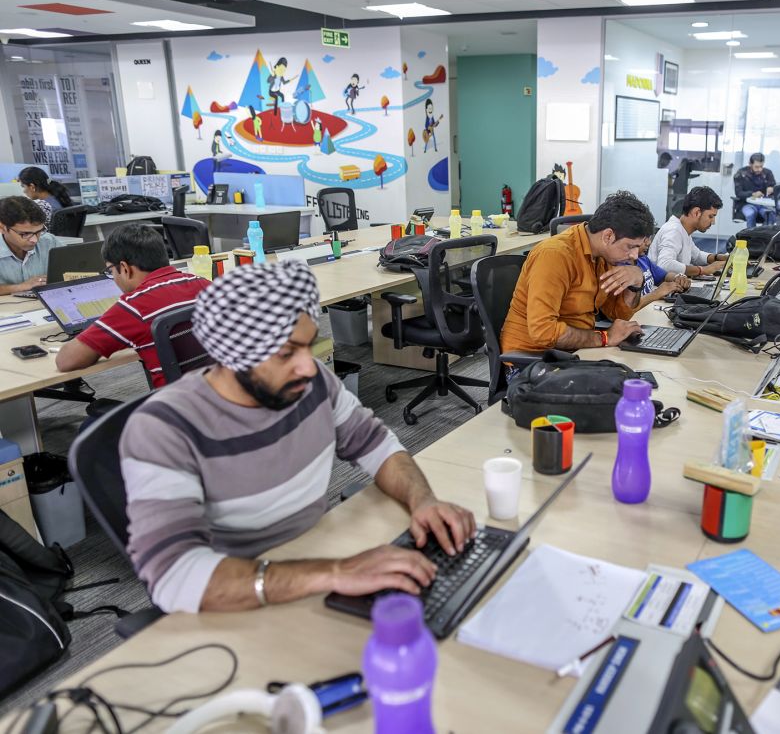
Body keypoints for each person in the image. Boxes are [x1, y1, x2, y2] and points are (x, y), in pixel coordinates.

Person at [119, 261, 476, 613]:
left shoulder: (310, 383)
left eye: (308, 345)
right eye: (287, 353)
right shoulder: (164, 429)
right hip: (233, 597)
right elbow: (175, 577)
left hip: (314, 556)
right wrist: (335, 572)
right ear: (235, 355)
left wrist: (423, 500)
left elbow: (378, 446)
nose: (309, 366)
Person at [55, 224, 210, 387]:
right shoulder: (204, 284)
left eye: (110, 271)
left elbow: (66, 361)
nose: (113, 277)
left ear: (124, 268)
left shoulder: (134, 306)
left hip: (176, 404)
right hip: (226, 394)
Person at [500, 191, 651, 355]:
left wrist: (636, 282)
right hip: (534, 358)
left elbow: (619, 314)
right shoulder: (555, 255)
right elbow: (542, 331)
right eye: (630, 246)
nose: (635, 255)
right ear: (608, 236)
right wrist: (605, 337)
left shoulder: (604, 256)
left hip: (576, 351)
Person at [648, 186, 729, 277]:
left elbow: (697, 256)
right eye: (711, 216)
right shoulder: (673, 231)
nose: (713, 222)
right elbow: (665, 264)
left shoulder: (684, 230)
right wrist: (703, 270)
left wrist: (718, 258)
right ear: (696, 212)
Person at [0, 196, 60, 295]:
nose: (35, 240)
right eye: (25, 234)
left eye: (39, 231)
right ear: (2, 228)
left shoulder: (49, 241)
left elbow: (76, 271)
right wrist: (21, 287)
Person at [633, 236, 690, 311]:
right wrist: (656, 294)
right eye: (644, 238)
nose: (649, 243)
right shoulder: (621, 267)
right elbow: (630, 306)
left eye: (650, 238)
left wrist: (678, 277)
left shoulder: (643, 259)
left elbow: (664, 276)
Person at [734, 153, 777, 228]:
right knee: (751, 214)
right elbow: (739, 193)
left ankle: (764, 235)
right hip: (746, 204)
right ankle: (751, 237)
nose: (759, 169)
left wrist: (772, 188)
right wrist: (752, 194)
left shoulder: (768, 173)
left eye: (761, 166)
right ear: (750, 164)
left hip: (764, 205)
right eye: (756, 167)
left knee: (770, 215)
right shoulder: (741, 173)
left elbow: (774, 187)